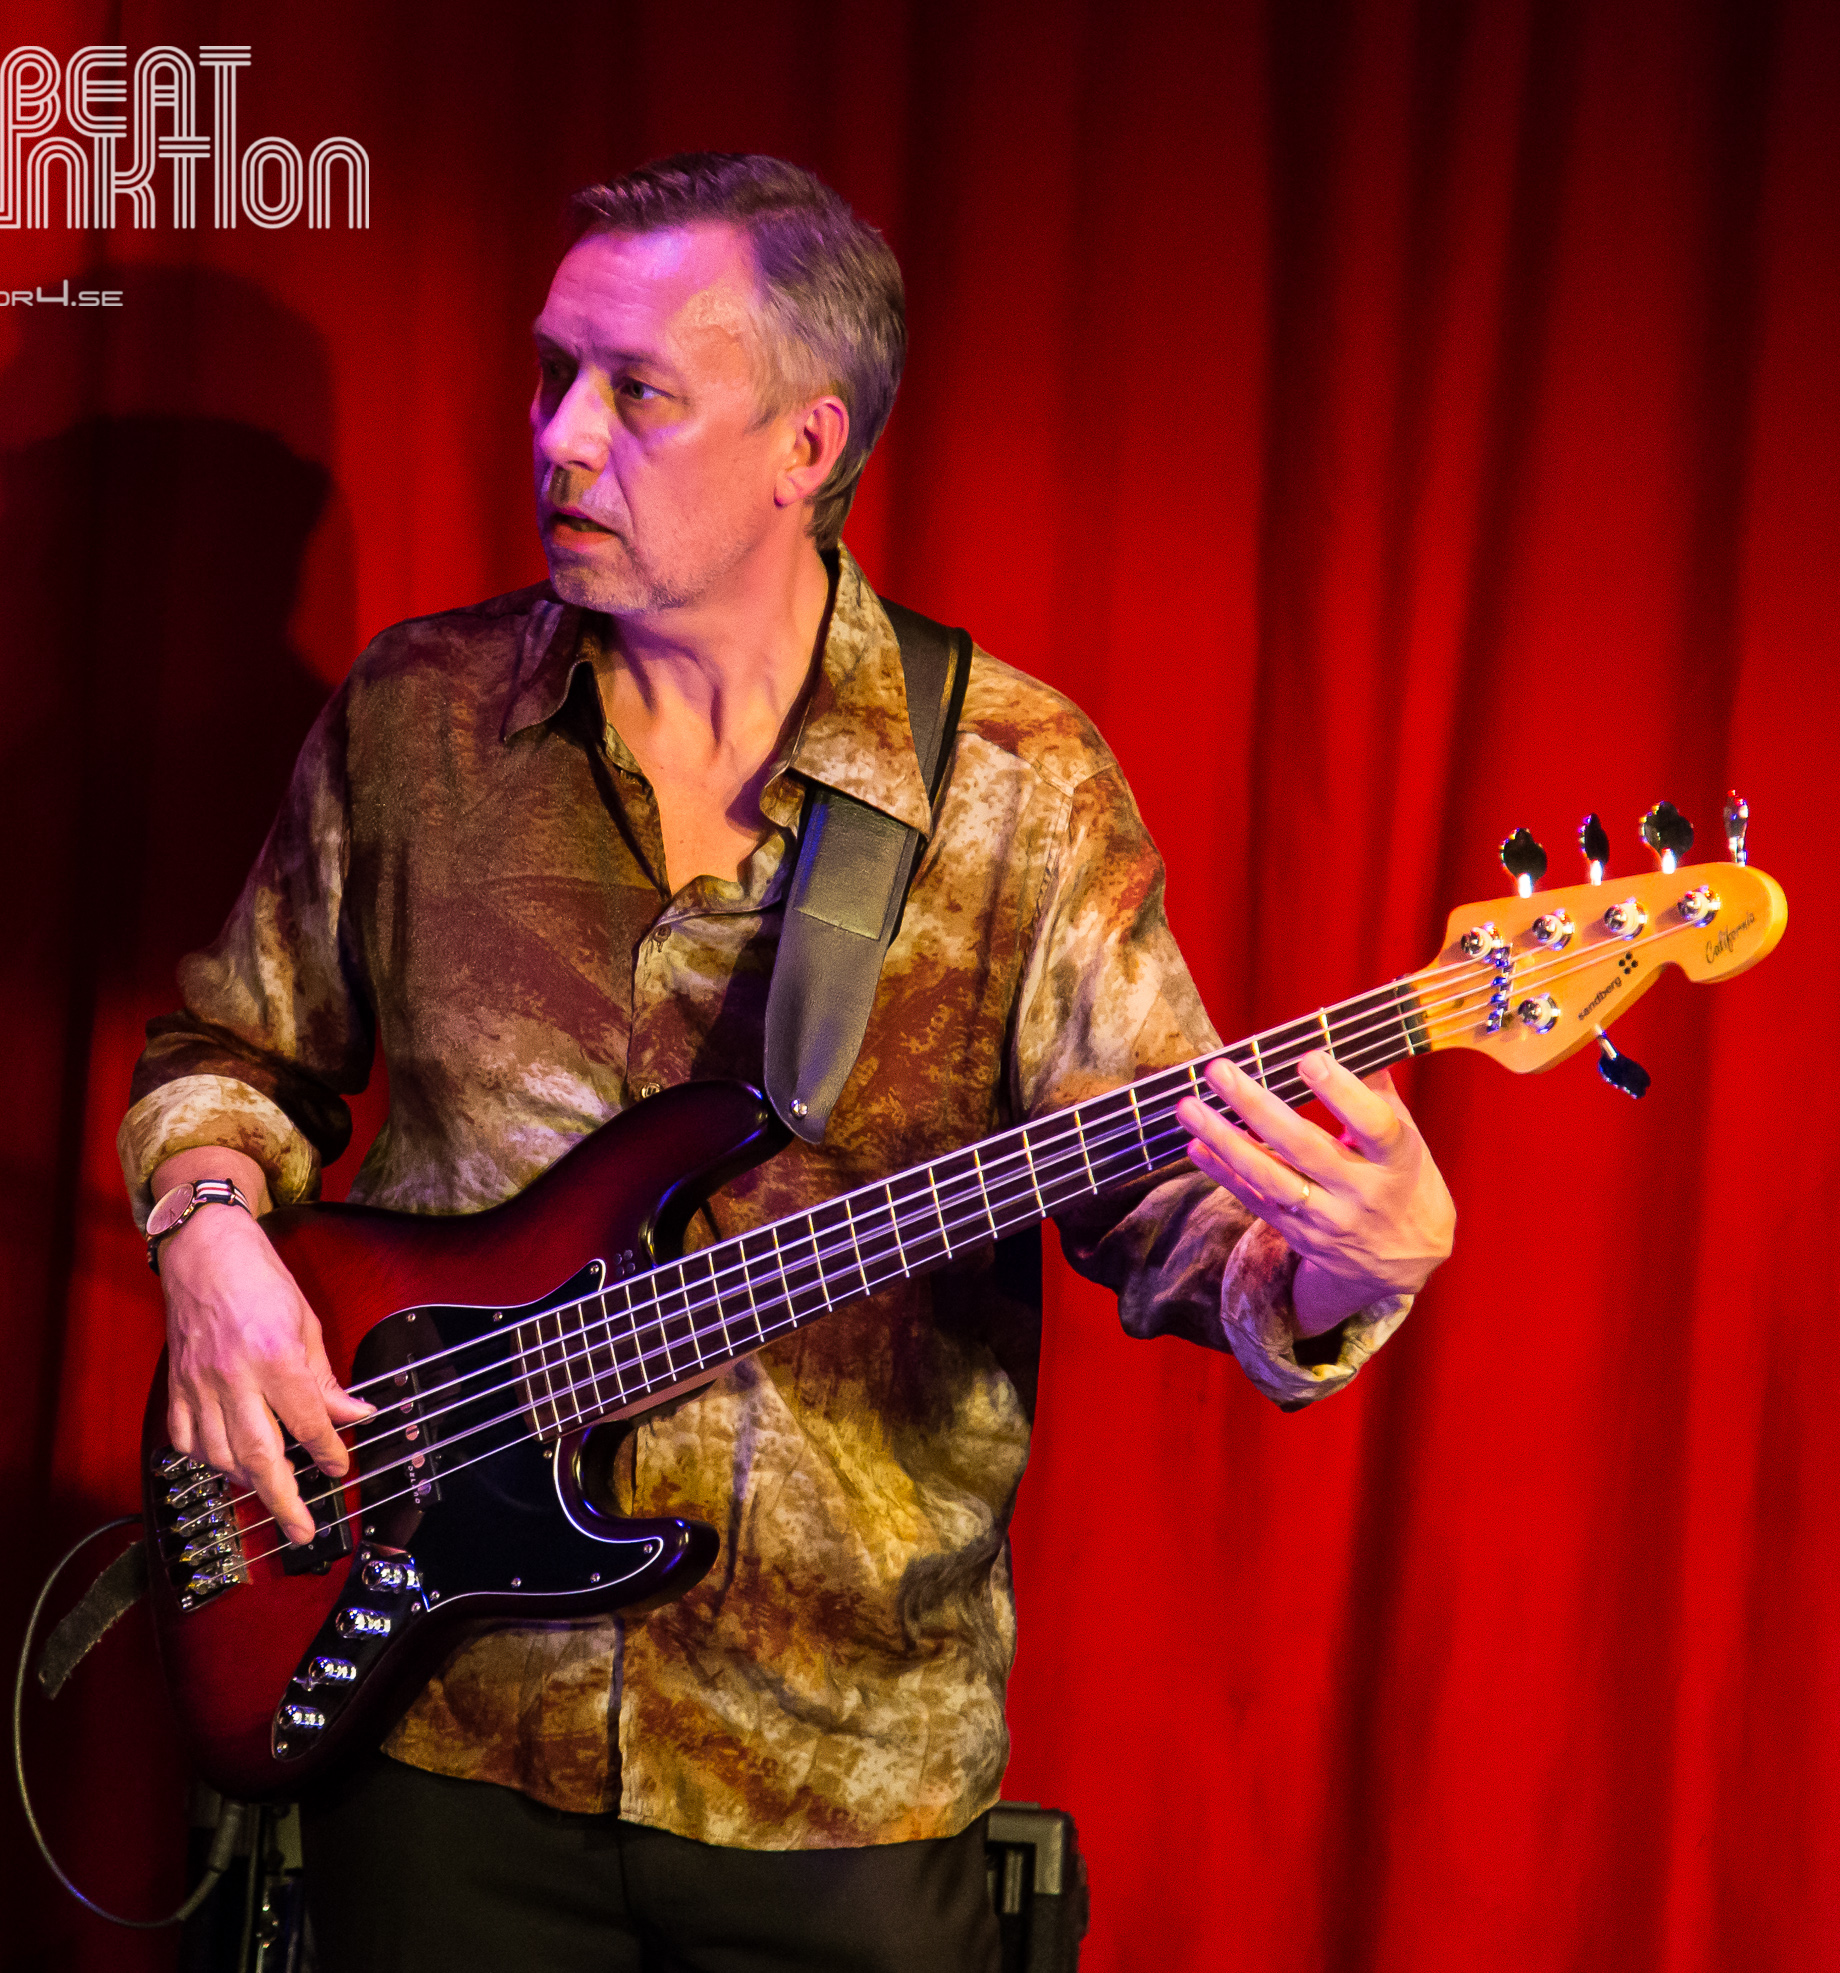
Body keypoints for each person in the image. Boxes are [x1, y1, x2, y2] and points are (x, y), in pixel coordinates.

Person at [124, 154, 1455, 1972]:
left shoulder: (1013, 786)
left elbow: (1168, 1216)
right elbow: (231, 1051)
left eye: (637, 392)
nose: (561, 438)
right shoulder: (418, 717)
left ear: (804, 447)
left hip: (835, 1777)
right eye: (552, 375)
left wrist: (1343, 1262)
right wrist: (205, 1234)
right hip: (436, 1732)